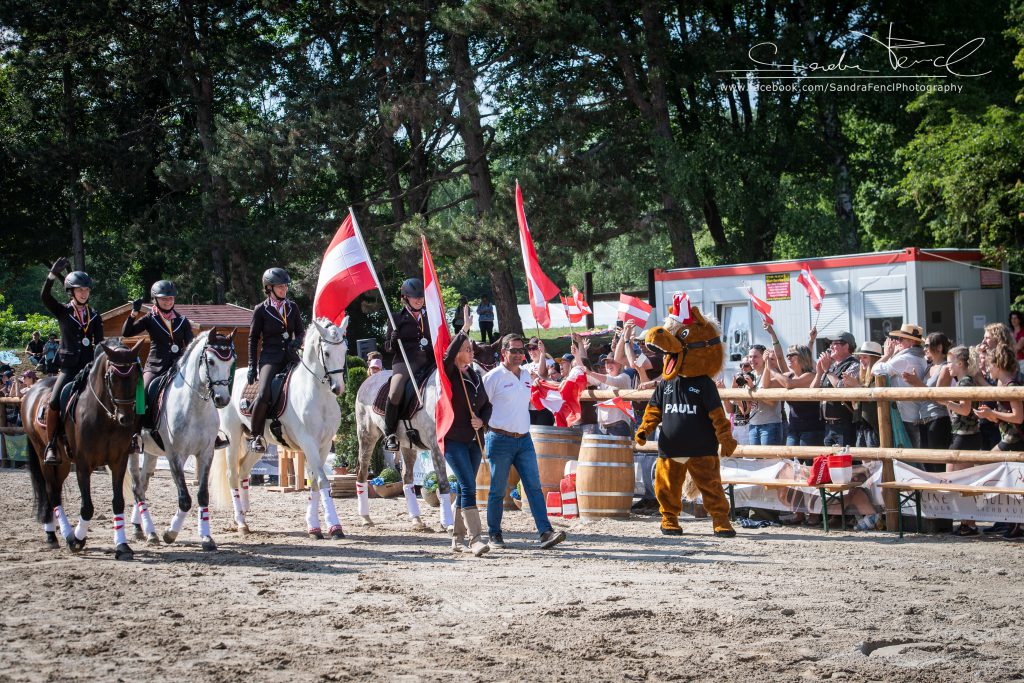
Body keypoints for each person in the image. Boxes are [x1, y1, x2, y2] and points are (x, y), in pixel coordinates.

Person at [482, 334, 566, 550]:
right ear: (503, 353)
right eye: (514, 350)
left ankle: (545, 532)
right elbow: (480, 406)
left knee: (534, 487)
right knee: (498, 490)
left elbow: (541, 381)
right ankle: (494, 534)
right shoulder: (492, 377)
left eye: (521, 350)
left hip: (524, 439)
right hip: (499, 438)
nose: (519, 354)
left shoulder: (527, 375)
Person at [39, 257, 104, 464]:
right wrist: (51, 276)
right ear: (71, 292)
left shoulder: (95, 316)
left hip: (89, 367)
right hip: (69, 367)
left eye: (86, 290)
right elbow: (45, 297)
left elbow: (100, 343)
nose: (84, 293)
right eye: (80, 290)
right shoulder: (63, 311)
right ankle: (51, 445)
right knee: (55, 400)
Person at [443, 317, 493, 557]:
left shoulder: (475, 376)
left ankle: (457, 538)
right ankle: (475, 538)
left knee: (465, 489)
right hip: (454, 439)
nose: (470, 352)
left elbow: (486, 405)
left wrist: (482, 421)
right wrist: (463, 331)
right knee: (468, 485)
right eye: (466, 349)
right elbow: (448, 353)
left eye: (471, 349)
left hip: (475, 439)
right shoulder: (450, 372)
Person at [246, 267, 305, 453]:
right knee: (263, 393)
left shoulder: (292, 307)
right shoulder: (260, 310)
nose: (284, 290)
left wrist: (297, 341)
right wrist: (251, 365)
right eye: (280, 287)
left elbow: (301, 331)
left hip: (290, 356)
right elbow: (253, 338)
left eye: (286, 286)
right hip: (270, 358)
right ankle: (256, 436)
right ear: (269, 288)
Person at [974, 343, 1024, 539]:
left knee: (987, 462)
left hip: (1015, 438)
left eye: (990, 365)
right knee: (1010, 480)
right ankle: (1013, 523)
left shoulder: (1011, 385)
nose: (987, 369)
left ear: (999, 364)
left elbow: (1018, 417)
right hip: (1008, 436)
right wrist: (988, 415)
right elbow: (1003, 416)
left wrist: (992, 413)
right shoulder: (1000, 385)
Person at [382, 278, 433, 452]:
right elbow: (387, 347)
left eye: (421, 296)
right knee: (395, 390)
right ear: (405, 298)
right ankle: (390, 433)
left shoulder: (431, 316)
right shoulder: (396, 317)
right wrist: (394, 340)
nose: (419, 300)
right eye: (414, 297)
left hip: (429, 360)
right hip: (405, 362)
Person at [943, 345, 982, 536]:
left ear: (959, 363)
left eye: (950, 363)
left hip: (966, 436)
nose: (948, 366)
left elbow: (965, 410)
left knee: (957, 479)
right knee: (958, 480)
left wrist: (946, 403)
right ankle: (968, 522)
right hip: (964, 435)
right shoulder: (964, 381)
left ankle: (970, 523)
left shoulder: (965, 382)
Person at [872, 324, 928, 449]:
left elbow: (875, 370)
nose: (898, 342)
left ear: (912, 341)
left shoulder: (905, 358)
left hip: (907, 418)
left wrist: (887, 355)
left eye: (901, 339)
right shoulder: (921, 358)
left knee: (907, 460)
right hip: (918, 415)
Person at [903, 332, 952, 454]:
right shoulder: (929, 367)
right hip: (924, 419)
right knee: (927, 463)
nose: (924, 349)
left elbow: (938, 397)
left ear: (939, 347)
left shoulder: (945, 368)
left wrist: (916, 382)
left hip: (938, 419)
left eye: (927, 345)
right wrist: (914, 382)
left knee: (937, 464)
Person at [813, 331, 861, 447]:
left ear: (846, 346)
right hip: (828, 425)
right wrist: (819, 372)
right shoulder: (831, 366)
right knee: (830, 463)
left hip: (845, 425)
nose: (831, 347)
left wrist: (827, 371)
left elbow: (842, 389)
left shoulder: (854, 365)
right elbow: (812, 391)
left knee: (846, 463)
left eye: (835, 343)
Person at [772, 344, 824, 447]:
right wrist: (767, 364)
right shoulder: (789, 375)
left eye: (792, 354)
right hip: (793, 428)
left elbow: (789, 384)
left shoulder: (810, 375)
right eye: (788, 355)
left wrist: (772, 370)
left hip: (812, 429)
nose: (788, 357)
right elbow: (767, 385)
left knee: (809, 462)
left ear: (802, 357)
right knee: (789, 461)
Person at [584, 353, 636, 436]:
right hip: (603, 427)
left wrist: (590, 373)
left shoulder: (624, 377)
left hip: (619, 426)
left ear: (620, 364)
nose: (608, 365)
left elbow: (612, 381)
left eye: (612, 362)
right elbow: (588, 379)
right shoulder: (602, 378)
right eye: (606, 362)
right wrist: (577, 356)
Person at [746, 343, 784, 445]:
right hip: (753, 425)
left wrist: (752, 389)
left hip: (770, 425)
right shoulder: (750, 375)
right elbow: (747, 407)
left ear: (763, 358)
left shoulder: (771, 374)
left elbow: (772, 402)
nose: (752, 360)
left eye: (755, 357)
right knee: (755, 460)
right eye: (750, 356)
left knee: (771, 461)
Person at [849, 342, 882, 447]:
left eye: (865, 357)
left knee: (874, 460)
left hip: (873, 424)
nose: (861, 360)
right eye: (860, 357)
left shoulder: (878, 376)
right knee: (864, 459)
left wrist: (855, 386)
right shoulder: (861, 377)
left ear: (874, 359)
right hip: (861, 423)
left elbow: (872, 397)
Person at [524, 337, 554, 426]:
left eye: (534, 348)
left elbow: (544, 375)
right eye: (529, 349)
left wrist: (537, 378)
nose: (531, 351)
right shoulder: (525, 366)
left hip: (545, 408)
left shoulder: (550, 362)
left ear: (541, 348)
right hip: (528, 409)